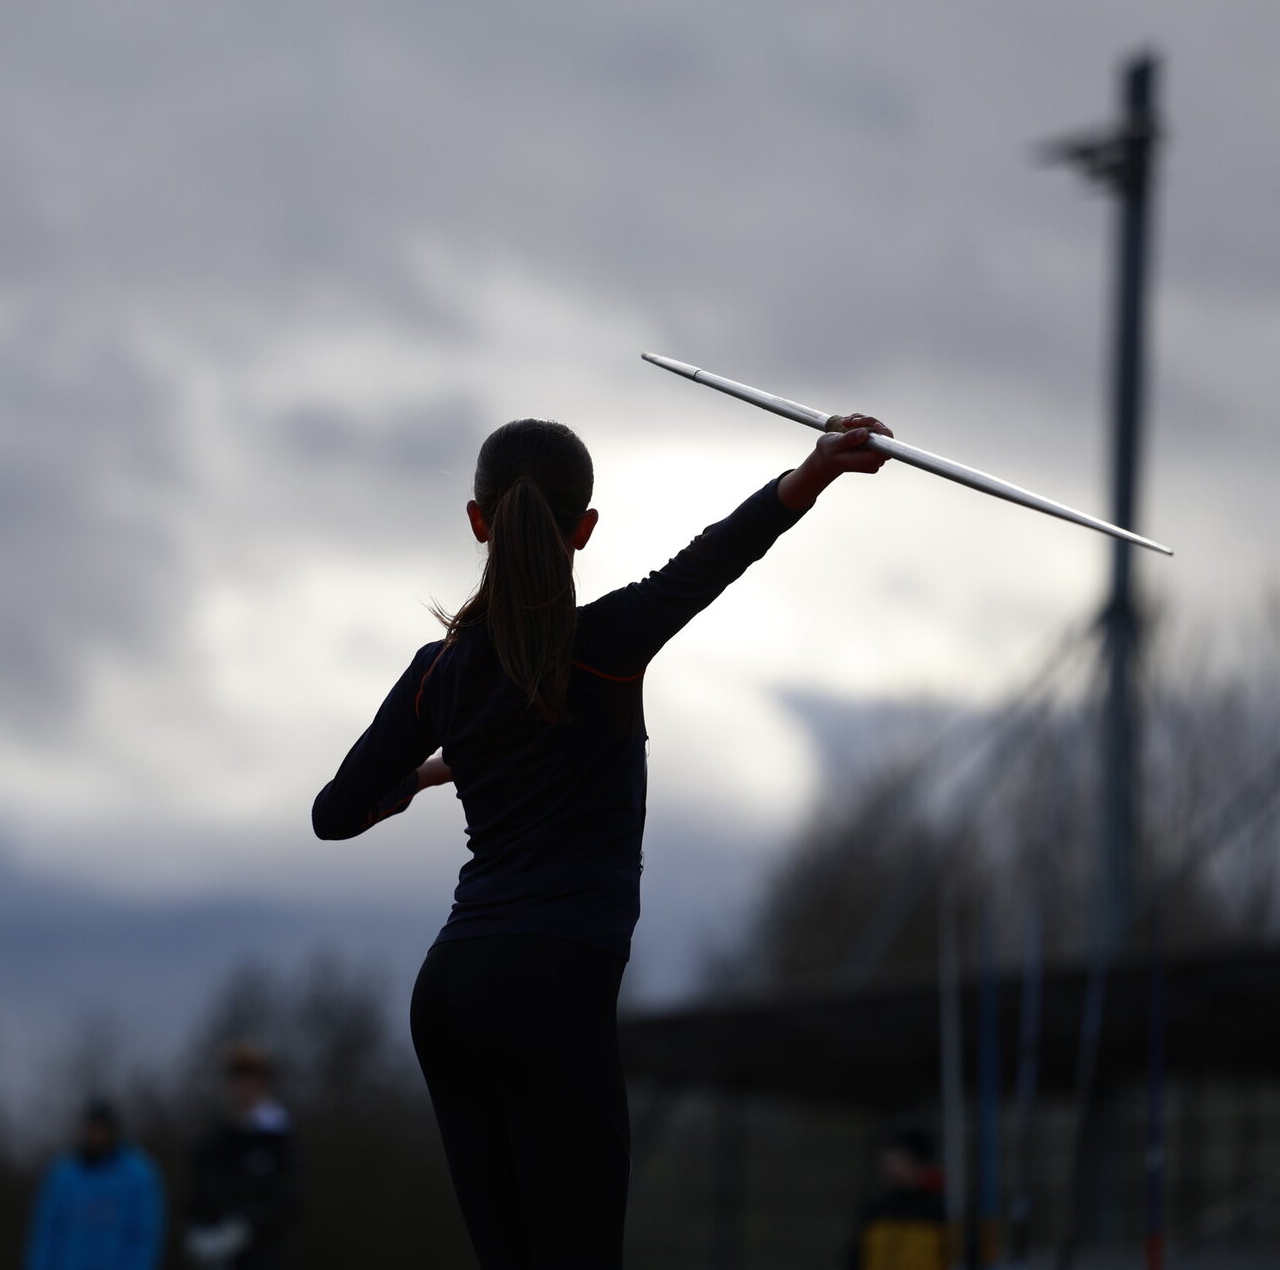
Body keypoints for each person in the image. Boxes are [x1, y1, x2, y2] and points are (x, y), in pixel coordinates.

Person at [313, 413, 893, 1268]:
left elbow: (335, 814)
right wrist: (818, 468)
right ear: (585, 529)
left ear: (476, 520)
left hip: (451, 993)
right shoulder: (609, 645)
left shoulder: (437, 671)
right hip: (549, 985)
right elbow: (720, 555)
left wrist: (428, 775)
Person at [182, 1044, 298, 1269]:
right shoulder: (212, 1142)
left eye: (251, 1079)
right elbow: (196, 1196)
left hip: (266, 1259)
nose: (244, 1087)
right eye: (238, 1079)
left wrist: (245, 1225)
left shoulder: (279, 1141)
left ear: (262, 1084)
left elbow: (290, 1199)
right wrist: (198, 1232)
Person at [24, 1099, 163, 1270]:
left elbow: (144, 1236)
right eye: (92, 1129)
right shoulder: (63, 1175)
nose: (97, 1135)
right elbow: (47, 1233)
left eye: (102, 1129)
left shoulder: (137, 1175)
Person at [844, 1127, 948, 1270]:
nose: (888, 1166)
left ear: (917, 1163)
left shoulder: (939, 1210)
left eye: (897, 1159)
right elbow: (855, 1257)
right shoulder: (874, 1209)